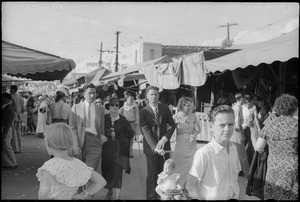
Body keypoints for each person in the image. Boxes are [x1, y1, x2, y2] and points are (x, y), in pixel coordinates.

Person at [36, 123, 107, 200]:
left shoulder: (49, 167)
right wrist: (84, 194)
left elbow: (43, 194)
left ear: (51, 143)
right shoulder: (78, 164)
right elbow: (101, 182)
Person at [186, 105, 241, 200]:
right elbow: (190, 185)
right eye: (222, 125)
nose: (227, 129)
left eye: (230, 124)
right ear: (211, 126)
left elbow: (234, 178)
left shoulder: (233, 149)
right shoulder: (205, 153)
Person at [255, 94, 298, 200]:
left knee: (274, 194)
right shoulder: (296, 125)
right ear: (294, 109)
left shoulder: (270, 125)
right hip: (292, 168)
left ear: (278, 108)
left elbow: (258, 147)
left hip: (274, 167)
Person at [139, 85, 176, 200]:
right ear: (147, 96)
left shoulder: (165, 108)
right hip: (151, 149)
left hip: (165, 146)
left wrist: (165, 139)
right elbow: (146, 131)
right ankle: (151, 197)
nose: (154, 97)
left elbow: (172, 125)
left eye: (155, 94)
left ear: (158, 95)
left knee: (165, 173)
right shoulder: (143, 112)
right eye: (151, 94)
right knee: (152, 174)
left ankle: (163, 196)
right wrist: (155, 147)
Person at [69, 83, 108, 178]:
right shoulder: (75, 108)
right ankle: (81, 192)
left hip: (95, 143)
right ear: (84, 94)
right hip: (80, 142)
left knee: (89, 171)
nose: (92, 95)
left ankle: (88, 193)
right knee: (78, 172)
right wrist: (75, 145)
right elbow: (72, 128)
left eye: (94, 93)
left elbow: (102, 127)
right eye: (90, 93)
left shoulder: (100, 110)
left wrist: (101, 137)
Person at [102, 97, 135, 200]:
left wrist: (116, 134)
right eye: (112, 105)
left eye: (117, 105)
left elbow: (130, 133)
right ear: (109, 106)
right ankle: (109, 190)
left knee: (117, 171)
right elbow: (99, 130)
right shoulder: (104, 118)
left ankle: (116, 196)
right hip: (106, 150)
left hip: (119, 150)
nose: (115, 107)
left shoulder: (123, 119)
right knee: (107, 171)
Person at [172, 97, 201, 189]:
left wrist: (194, 134)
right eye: (186, 106)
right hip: (180, 145)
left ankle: (187, 188)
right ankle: (178, 187)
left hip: (191, 144)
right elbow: (170, 130)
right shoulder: (176, 117)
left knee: (191, 165)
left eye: (190, 105)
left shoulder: (193, 116)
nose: (188, 108)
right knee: (179, 165)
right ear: (181, 106)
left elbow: (199, 129)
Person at [229, 93, 250, 177]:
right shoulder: (237, 108)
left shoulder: (236, 107)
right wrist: (242, 134)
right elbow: (237, 124)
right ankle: (248, 174)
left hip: (234, 132)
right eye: (244, 98)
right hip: (236, 132)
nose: (245, 100)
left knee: (235, 153)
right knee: (242, 154)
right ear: (240, 99)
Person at [118, 91, 140, 158]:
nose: (130, 98)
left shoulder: (134, 105)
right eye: (128, 97)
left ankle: (130, 152)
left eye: (131, 97)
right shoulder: (124, 104)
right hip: (125, 124)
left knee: (131, 139)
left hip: (132, 123)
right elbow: (119, 112)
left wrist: (137, 122)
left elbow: (137, 113)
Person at [2, 93, 18, 169]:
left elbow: (8, 122)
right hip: (7, 128)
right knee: (5, 146)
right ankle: (8, 163)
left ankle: (12, 163)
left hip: (7, 128)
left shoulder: (8, 108)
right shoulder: (7, 107)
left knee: (7, 145)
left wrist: (5, 132)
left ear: (6, 99)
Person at [10, 85, 25, 153]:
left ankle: (15, 149)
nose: (10, 91)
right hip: (19, 116)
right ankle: (20, 149)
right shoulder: (21, 98)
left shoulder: (11, 97)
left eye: (10, 89)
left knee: (13, 133)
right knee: (18, 133)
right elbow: (23, 109)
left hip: (12, 116)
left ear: (13, 90)